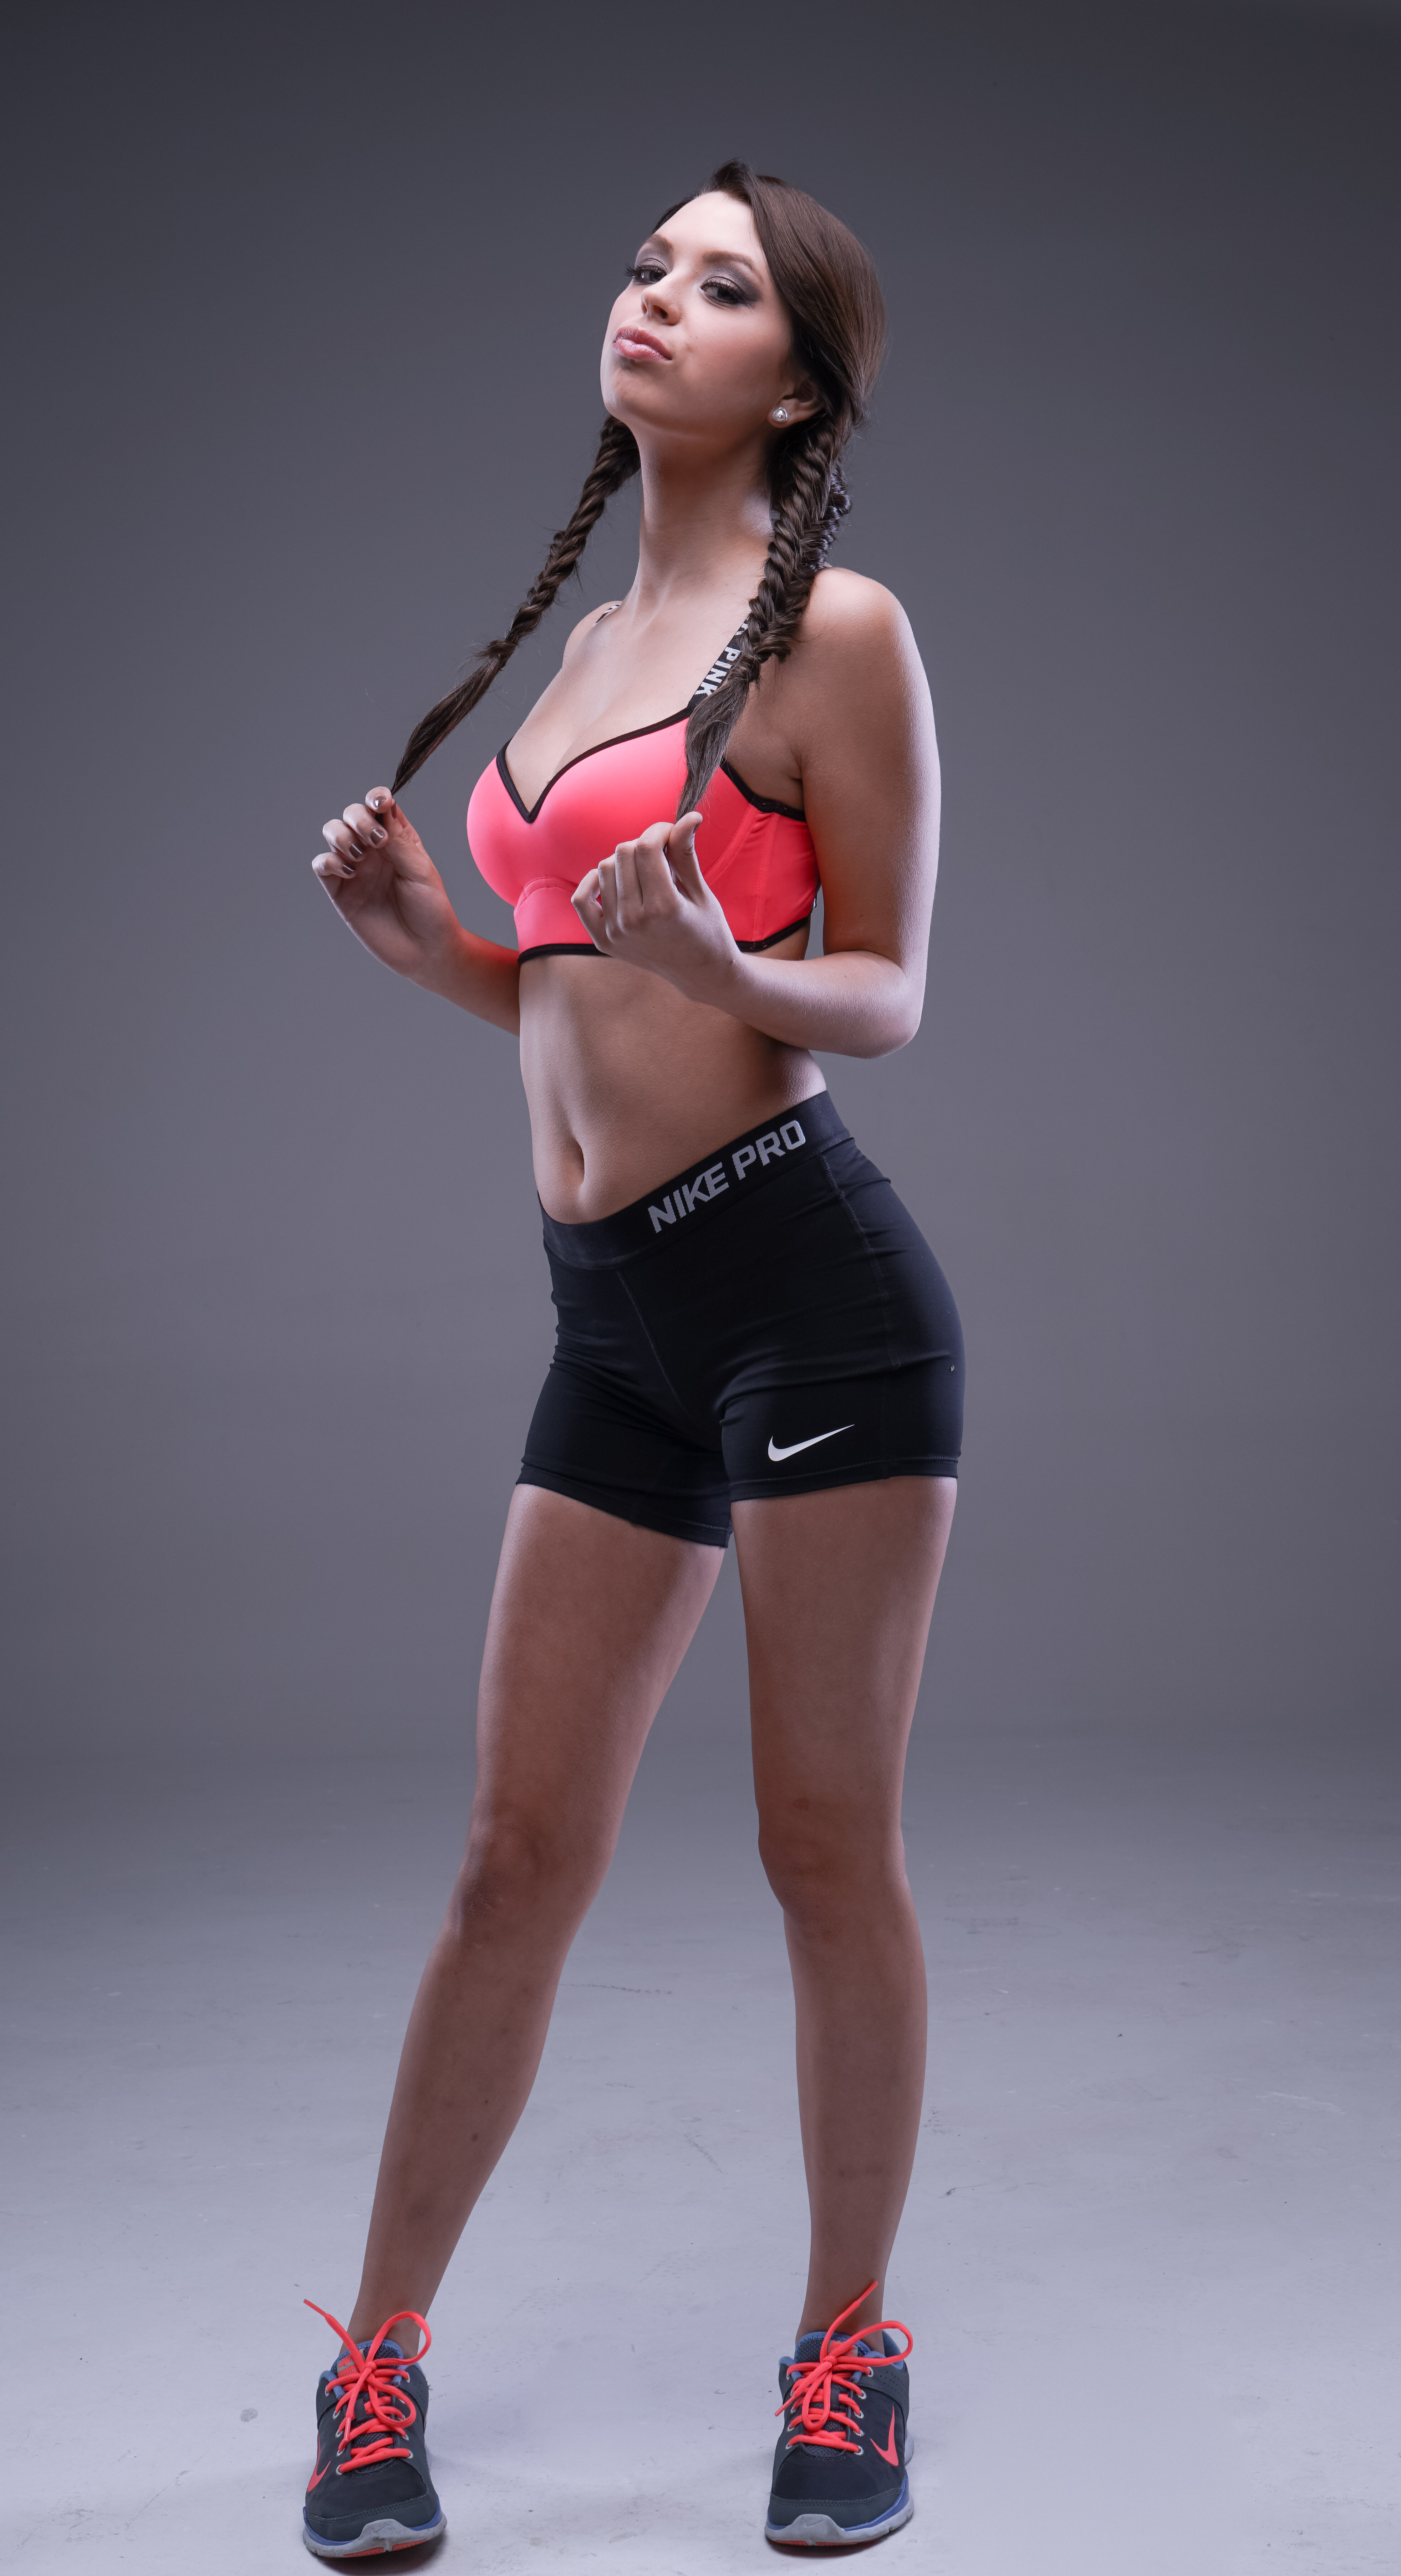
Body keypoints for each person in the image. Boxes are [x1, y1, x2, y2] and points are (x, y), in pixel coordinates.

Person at [302, 160, 964, 2558]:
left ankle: (849, 2343)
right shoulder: (592, 641)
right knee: (514, 1855)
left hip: (803, 1291)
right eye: (649, 264)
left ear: (796, 382)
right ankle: (373, 2359)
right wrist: (432, 951)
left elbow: (880, 988)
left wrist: (730, 972)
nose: (658, 300)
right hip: (609, 1316)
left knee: (819, 1846)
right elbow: (572, 998)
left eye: (723, 285)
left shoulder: (839, 634)